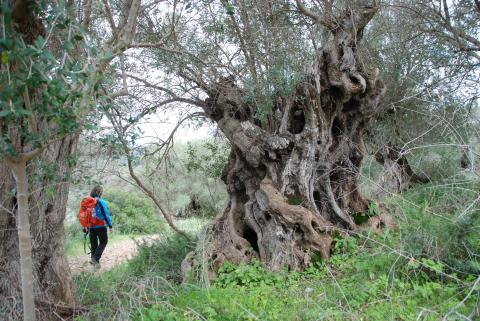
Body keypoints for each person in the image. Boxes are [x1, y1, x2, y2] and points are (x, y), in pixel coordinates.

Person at [84, 185, 113, 266]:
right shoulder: (101, 201)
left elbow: (85, 215)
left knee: (94, 244)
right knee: (104, 241)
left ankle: (95, 264)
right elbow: (106, 214)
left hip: (91, 227)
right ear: (99, 192)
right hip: (101, 226)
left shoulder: (87, 202)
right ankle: (95, 259)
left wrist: (85, 226)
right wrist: (110, 226)